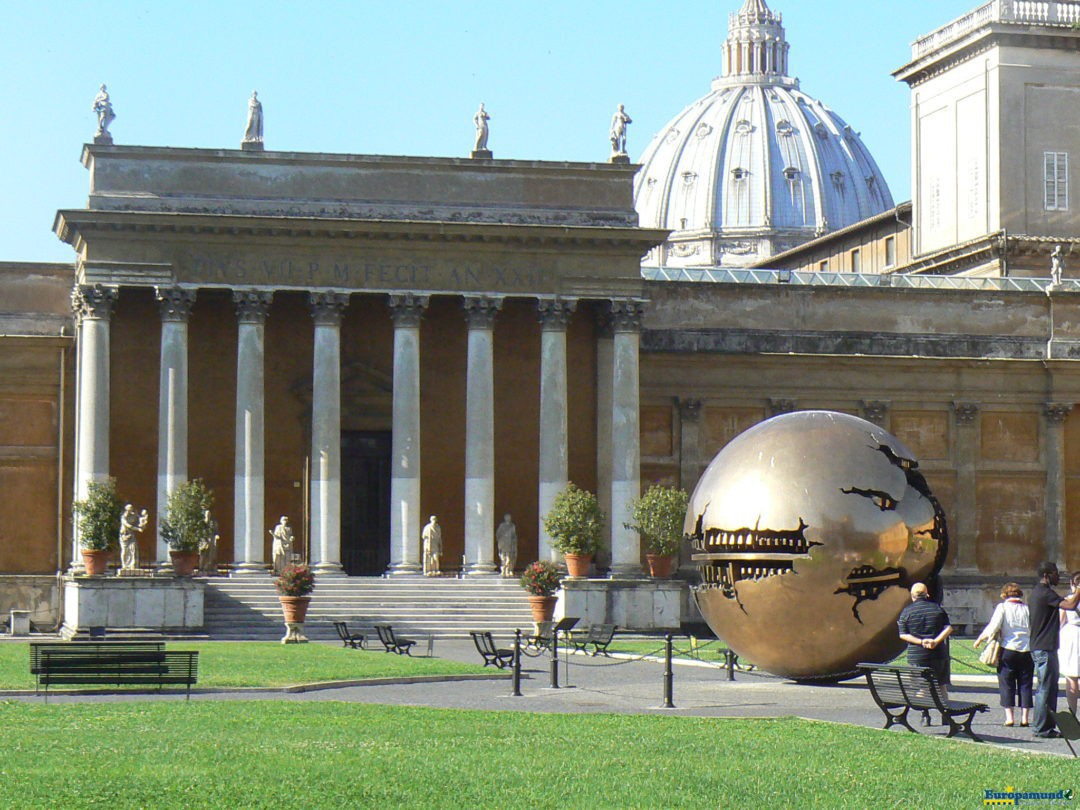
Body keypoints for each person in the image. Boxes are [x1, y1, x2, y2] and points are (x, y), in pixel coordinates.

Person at [1029, 561, 1080, 737]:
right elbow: (1070, 605)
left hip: (1043, 646)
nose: (1058, 576)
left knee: (1048, 688)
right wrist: (1079, 589)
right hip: (1044, 647)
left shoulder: (1038, 592)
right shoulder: (1044, 593)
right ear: (1047, 575)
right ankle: (1042, 728)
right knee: (1045, 688)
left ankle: (1045, 726)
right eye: (1056, 573)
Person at [974, 582, 1033, 727]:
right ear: (1020, 595)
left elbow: (993, 626)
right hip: (1026, 650)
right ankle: (1025, 718)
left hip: (1008, 649)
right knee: (1026, 684)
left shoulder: (1002, 607)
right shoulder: (1027, 609)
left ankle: (1010, 718)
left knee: (1007, 683)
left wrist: (980, 638)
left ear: (1004, 595)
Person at [897, 581, 953, 725]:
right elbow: (948, 628)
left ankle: (925, 715)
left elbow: (903, 635)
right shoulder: (937, 609)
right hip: (939, 654)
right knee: (941, 685)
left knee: (921, 686)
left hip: (917, 655)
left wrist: (921, 642)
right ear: (927, 594)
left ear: (912, 596)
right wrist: (935, 641)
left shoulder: (907, 612)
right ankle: (945, 715)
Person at [1059, 571, 1080, 715]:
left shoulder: (1068, 600)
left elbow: (1060, 622)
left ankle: (1073, 712)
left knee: (1071, 678)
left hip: (1071, 637)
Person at [118, 503, 148, 571]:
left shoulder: (134, 515)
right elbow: (128, 525)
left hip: (131, 534)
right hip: (124, 535)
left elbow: (139, 520)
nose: (131, 509)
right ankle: (124, 565)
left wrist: (143, 521)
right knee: (125, 550)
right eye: (129, 508)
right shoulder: (123, 517)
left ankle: (133, 565)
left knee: (133, 549)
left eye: (131, 508)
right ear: (126, 509)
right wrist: (138, 529)